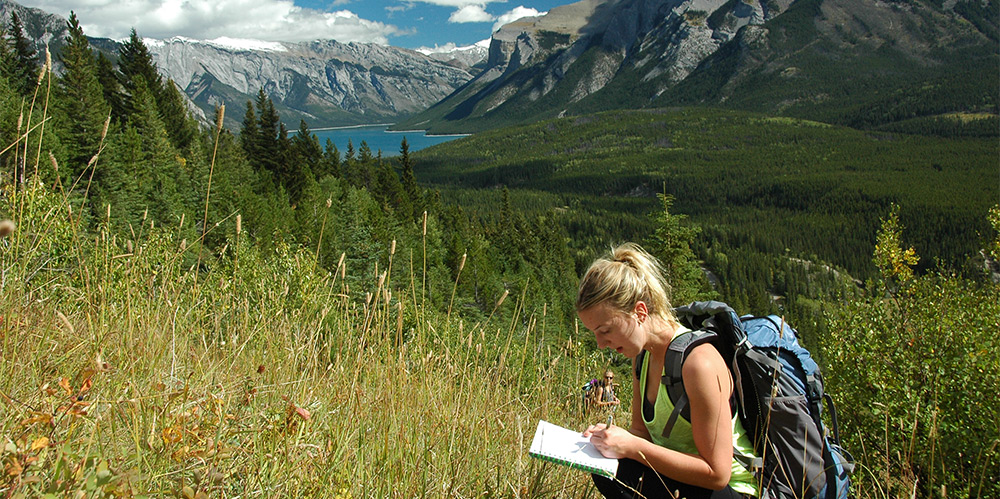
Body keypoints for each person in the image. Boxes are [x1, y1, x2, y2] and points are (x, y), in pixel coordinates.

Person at [576, 243, 758, 498]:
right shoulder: (642, 358)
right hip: (685, 483)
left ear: (639, 312)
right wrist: (611, 440)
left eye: (605, 330)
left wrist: (632, 446)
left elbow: (717, 474)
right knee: (607, 467)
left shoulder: (698, 363)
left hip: (732, 491)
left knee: (622, 469)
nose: (600, 343)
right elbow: (641, 434)